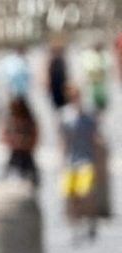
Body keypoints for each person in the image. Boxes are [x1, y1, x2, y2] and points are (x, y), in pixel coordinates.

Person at [59, 85, 101, 243]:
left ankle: (91, 221)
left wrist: (97, 160)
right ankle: (75, 226)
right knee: (71, 195)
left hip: (86, 160)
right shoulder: (64, 115)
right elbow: (62, 140)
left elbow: (95, 137)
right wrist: (62, 160)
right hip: (71, 160)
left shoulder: (88, 115)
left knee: (86, 193)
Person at [1, 97, 39, 187]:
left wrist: (25, 143)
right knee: (8, 178)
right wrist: (15, 141)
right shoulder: (11, 120)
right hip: (14, 153)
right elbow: (4, 135)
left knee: (30, 179)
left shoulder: (29, 121)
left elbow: (35, 136)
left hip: (27, 154)